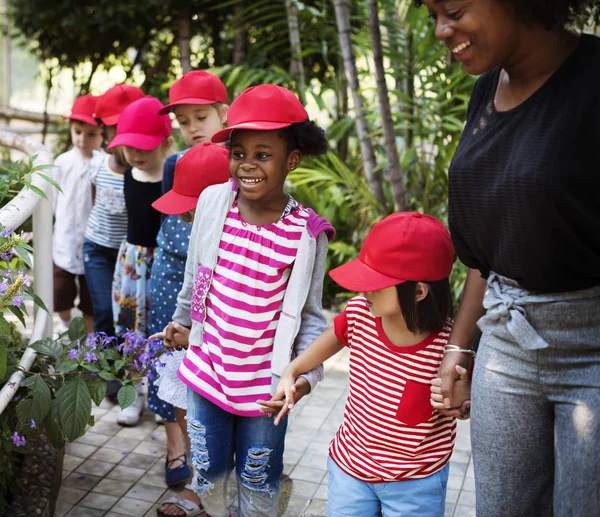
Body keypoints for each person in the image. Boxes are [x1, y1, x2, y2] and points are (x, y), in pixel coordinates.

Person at [419, 1, 600, 515]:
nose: (440, 30)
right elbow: (490, 248)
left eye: (452, 9)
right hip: (507, 342)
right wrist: (460, 349)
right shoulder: (484, 93)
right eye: (432, 14)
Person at [159, 84, 334, 517]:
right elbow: (195, 279)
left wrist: (305, 377)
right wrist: (184, 323)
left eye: (262, 154)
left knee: (257, 481)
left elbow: (311, 318)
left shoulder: (306, 234)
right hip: (206, 376)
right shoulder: (213, 203)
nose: (247, 165)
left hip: (264, 392)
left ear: (291, 160)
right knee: (210, 474)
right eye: (238, 153)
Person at [261, 212, 469, 517]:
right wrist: (293, 370)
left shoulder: (449, 346)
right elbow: (331, 337)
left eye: (376, 283)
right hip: (351, 471)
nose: (364, 290)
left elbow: (464, 401)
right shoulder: (361, 313)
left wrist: (462, 402)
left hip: (415, 483)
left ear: (419, 292)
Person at [145, 71, 228, 500]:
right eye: (183, 120)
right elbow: (167, 213)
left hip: (218, 275)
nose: (193, 127)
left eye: (201, 116)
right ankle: (176, 445)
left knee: (210, 360)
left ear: (223, 113)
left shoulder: (240, 165)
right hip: (170, 270)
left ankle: (212, 451)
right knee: (169, 358)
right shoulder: (175, 164)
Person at [107, 95, 173, 425]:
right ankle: (132, 395)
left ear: (167, 143)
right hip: (133, 263)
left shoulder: (171, 177)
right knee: (130, 330)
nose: (135, 154)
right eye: (129, 147)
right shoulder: (128, 174)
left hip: (163, 263)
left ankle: (164, 396)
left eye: (144, 148)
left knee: (163, 332)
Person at [83, 84, 145, 338]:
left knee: (126, 313)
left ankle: (124, 366)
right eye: (114, 127)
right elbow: (93, 198)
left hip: (128, 254)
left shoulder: (144, 169)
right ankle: (103, 370)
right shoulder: (97, 163)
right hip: (97, 248)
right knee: (104, 311)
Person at [52, 94, 103, 335]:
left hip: (93, 242)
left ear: (102, 134)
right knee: (60, 290)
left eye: (91, 134)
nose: (83, 139)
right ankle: (63, 326)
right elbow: (51, 199)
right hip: (64, 239)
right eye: (77, 132)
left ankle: (90, 337)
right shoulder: (62, 163)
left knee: (90, 295)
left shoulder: (104, 164)